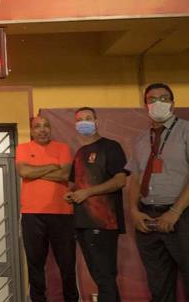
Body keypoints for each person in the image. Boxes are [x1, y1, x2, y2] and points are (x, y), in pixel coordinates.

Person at [126, 83, 189, 302]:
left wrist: (175, 212)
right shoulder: (142, 139)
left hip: (182, 216)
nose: (158, 103)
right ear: (145, 105)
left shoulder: (186, 131)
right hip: (148, 218)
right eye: (152, 100)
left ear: (173, 103)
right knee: (158, 284)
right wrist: (134, 211)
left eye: (163, 98)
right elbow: (135, 178)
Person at [65, 107, 128, 302]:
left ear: (96, 121)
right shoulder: (80, 152)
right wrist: (72, 194)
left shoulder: (110, 147)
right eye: (80, 119)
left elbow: (120, 180)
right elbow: (77, 184)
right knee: (100, 276)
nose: (84, 122)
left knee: (104, 275)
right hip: (82, 221)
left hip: (104, 222)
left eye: (88, 118)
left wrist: (87, 192)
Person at [16, 115, 78, 302]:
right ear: (31, 131)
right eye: (37, 126)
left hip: (62, 214)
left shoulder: (62, 148)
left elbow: (64, 174)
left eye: (46, 126)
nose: (42, 130)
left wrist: (35, 172)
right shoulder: (23, 148)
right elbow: (24, 172)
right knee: (35, 265)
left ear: (50, 129)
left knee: (67, 265)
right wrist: (52, 166)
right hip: (32, 214)